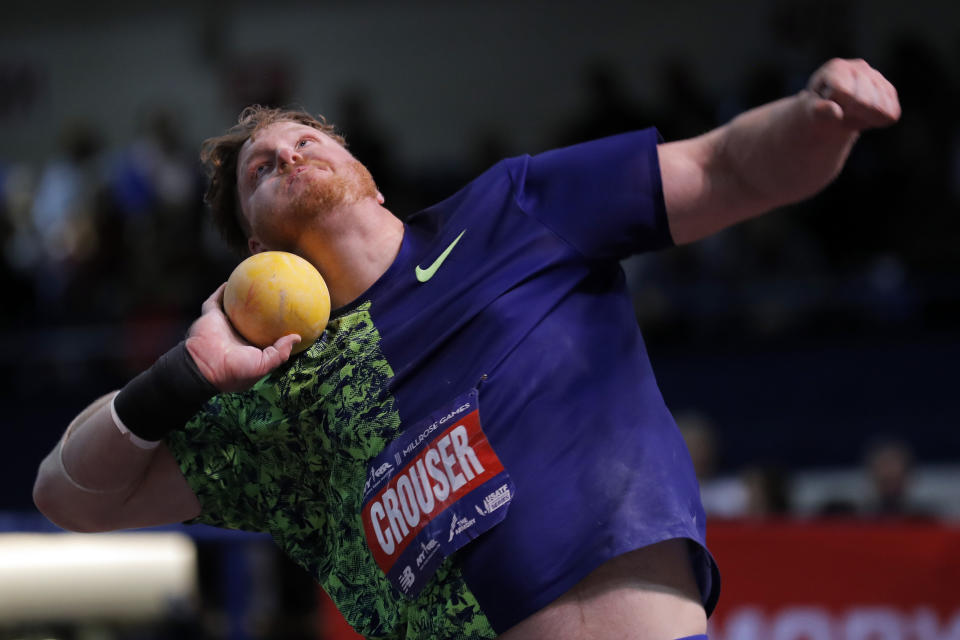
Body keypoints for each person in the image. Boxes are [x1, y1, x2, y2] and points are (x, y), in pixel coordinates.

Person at [34, 58, 900, 640]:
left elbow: (727, 171)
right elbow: (70, 496)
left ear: (363, 170)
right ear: (255, 247)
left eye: (306, 138)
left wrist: (816, 114)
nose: (287, 151)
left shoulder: (513, 209)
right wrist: (185, 377)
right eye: (262, 168)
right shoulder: (275, 402)